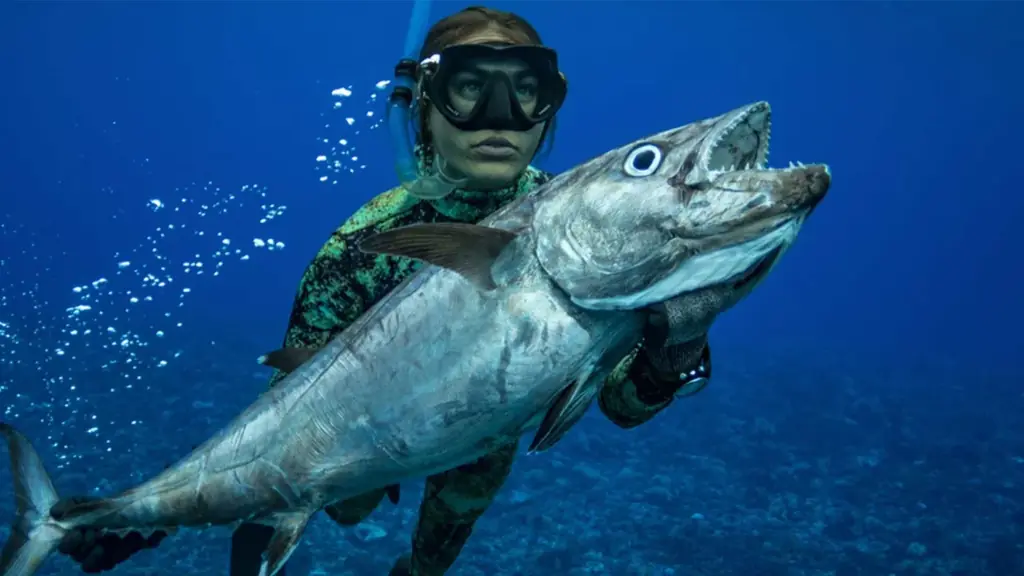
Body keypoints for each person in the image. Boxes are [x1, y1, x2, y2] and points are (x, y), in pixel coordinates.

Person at [52, 6, 713, 576]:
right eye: (469, 89)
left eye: (526, 91)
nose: (499, 118)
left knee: (439, 546)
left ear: (551, 106)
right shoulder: (360, 245)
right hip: (356, 444)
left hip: (479, 446)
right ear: (424, 106)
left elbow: (623, 405)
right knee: (337, 503)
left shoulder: (602, 227)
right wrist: (152, 520)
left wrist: (678, 346)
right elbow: (283, 425)